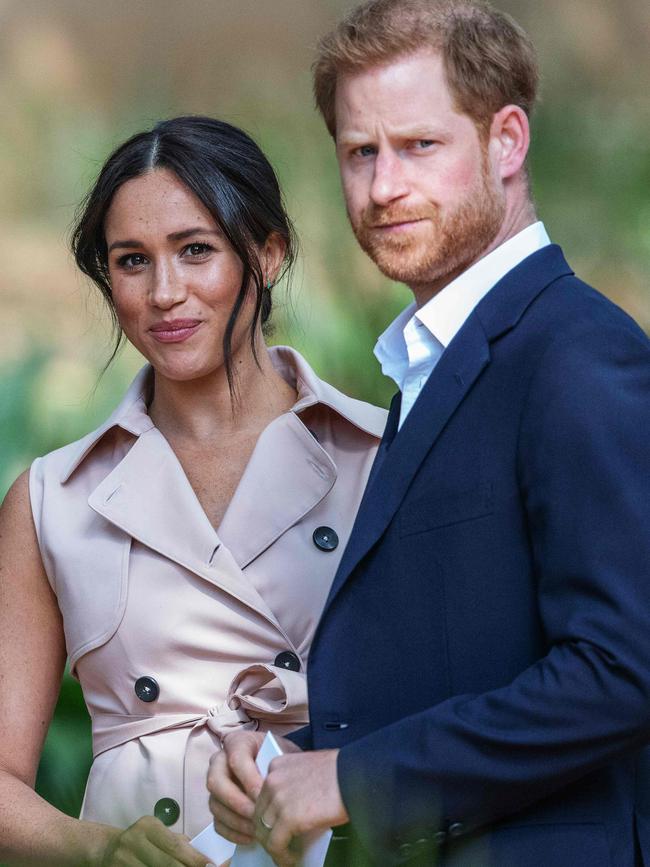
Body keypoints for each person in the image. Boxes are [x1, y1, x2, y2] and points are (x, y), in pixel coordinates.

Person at [207, 2, 650, 865]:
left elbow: (625, 669)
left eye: (419, 146)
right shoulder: (435, 364)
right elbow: (462, 656)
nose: (382, 188)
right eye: (359, 152)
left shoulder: (577, 356)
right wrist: (293, 771)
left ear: (507, 141)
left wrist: (358, 778)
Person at [0, 115, 387, 866]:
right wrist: (96, 847)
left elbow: (459, 715)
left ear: (268, 254)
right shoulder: (54, 499)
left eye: (196, 250)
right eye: (131, 261)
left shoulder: (379, 455)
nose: (165, 293)